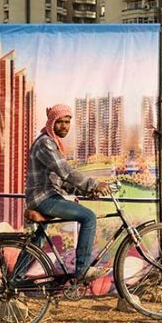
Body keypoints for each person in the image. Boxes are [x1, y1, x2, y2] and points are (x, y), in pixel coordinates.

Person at [25, 104, 109, 282]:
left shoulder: (53, 143)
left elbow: (61, 180)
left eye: (67, 122)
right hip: (44, 198)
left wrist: (86, 191)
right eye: (60, 122)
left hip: (47, 196)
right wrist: (93, 184)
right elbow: (66, 172)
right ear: (51, 123)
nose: (64, 126)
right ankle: (82, 270)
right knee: (89, 217)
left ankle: (12, 281)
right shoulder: (45, 143)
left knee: (36, 243)